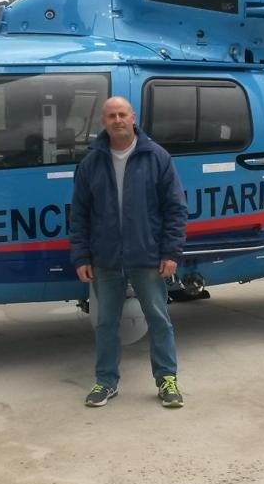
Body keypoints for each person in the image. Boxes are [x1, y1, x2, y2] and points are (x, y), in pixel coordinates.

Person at [70, 96, 188, 408]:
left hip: (148, 256)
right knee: (106, 322)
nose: (118, 120)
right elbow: (79, 214)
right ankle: (105, 381)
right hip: (105, 259)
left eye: (123, 114)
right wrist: (81, 256)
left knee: (159, 318)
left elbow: (175, 209)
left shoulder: (157, 157)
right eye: (112, 116)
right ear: (103, 122)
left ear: (132, 117)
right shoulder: (91, 163)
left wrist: (170, 252)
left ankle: (167, 379)